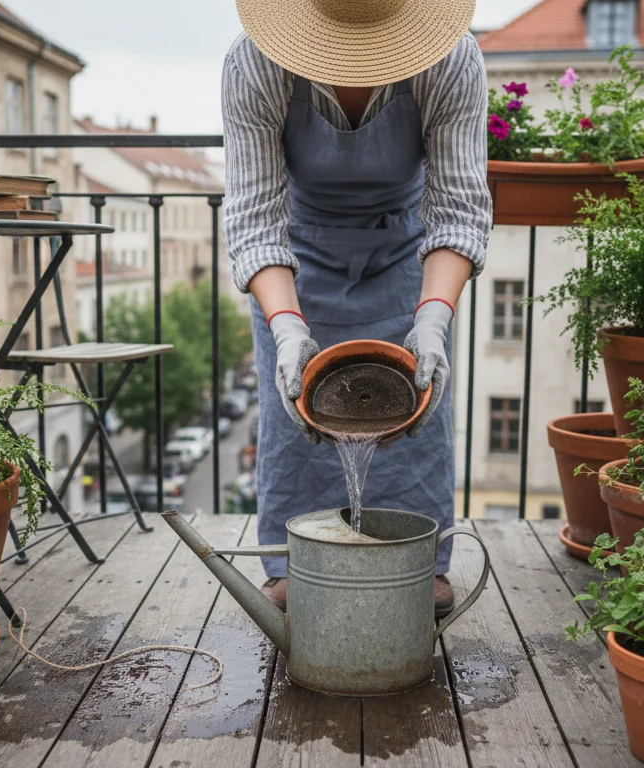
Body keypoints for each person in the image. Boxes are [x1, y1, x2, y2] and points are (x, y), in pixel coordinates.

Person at [222, 0, 491, 615]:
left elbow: (458, 211)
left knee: (415, 423)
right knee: (295, 427)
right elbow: (255, 218)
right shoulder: (254, 63)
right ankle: (296, 565)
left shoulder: (451, 59)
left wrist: (433, 319)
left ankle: (418, 563)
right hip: (295, 263)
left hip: (407, 258)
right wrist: (286, 327)